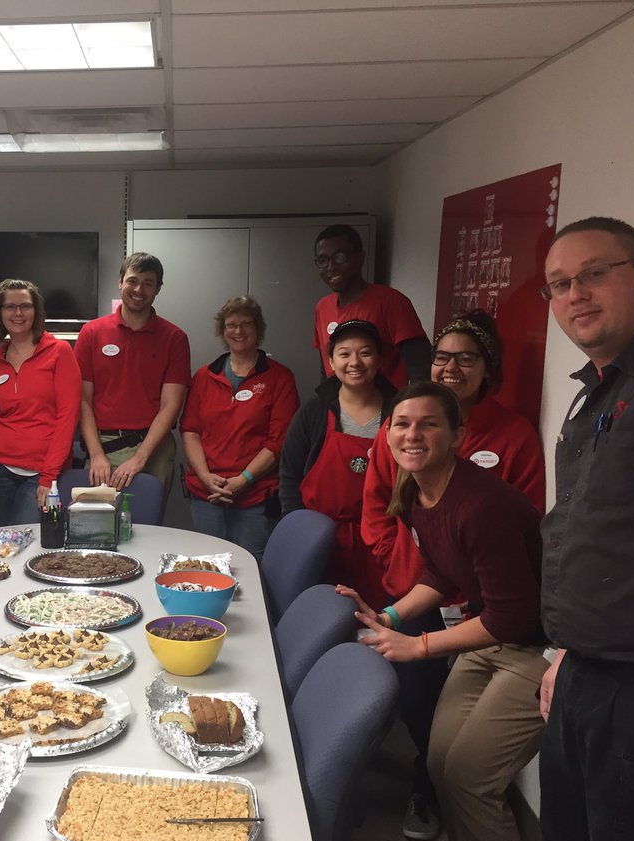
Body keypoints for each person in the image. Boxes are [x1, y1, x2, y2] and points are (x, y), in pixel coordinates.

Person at [348, 381, 547, 841]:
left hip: (538, 650)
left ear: (458, 435)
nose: (412, 434)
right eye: (402, 424)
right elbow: (440, 572)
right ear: (386, 435)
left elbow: (513, 616)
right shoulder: (417, 491)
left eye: (428, 423)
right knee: (440, 765)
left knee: (470, 777)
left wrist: (420, 647)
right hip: (491, 635)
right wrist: (389, 616)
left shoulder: (481, 504)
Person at [537, 216, 634, 841]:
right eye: (559, 284)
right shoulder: (600, 390)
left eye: (593, 274)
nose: (575, 293)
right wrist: (563, 655)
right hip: (583, 674)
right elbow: (591, 532)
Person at [279, 319, 396, 605]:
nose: (354, 362)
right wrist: (299, 531)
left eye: (365, 352)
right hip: (320, 541)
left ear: (379, 359)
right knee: (316, 615)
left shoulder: (400, 411)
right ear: (331, 361)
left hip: (381, 545)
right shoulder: (315, 411)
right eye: (344, 353)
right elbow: (289, 474)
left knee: (376, 622)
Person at [180, 295, 299, 560]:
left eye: (246, 324)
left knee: (251, 567)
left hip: (255, 497)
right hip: (206, 495)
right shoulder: (204, 376)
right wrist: (204, 476)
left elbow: (278, 442)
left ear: (258, 329)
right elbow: (190, 431)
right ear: (223, 331)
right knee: (207, 567)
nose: (238, 331)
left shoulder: (280, 378)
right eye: (231, 325)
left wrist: (242, 480)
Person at [75, 252, 191, 497]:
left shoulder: (174, 338)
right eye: (132, 281)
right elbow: (82, 400)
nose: (139, 289)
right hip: (102, 447)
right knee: (96, 528)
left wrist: (140, 459)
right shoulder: (91, 333)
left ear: (158, 289)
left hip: (153, 449)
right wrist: (96, 455)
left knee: (146, 526)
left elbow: (171, 405)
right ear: (120, 282)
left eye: (148, 283)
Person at [0, 278, 80, 526]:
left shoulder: (59, 352)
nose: (18, 313)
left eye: (25, 306)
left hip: (40, 473)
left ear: (37, 311)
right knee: (2, 549)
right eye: (10, 307)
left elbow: (68, 417)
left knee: (28, 542)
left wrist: (49, 477)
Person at [312, 223, 429, 387]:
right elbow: (325, 367)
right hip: (340, 406)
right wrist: (325, 405)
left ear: (360, 257)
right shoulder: (322, 307)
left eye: (340, 257)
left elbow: (420, 367)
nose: (331, 267)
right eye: (323, 260)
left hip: (386, 406)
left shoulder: (391, 302)